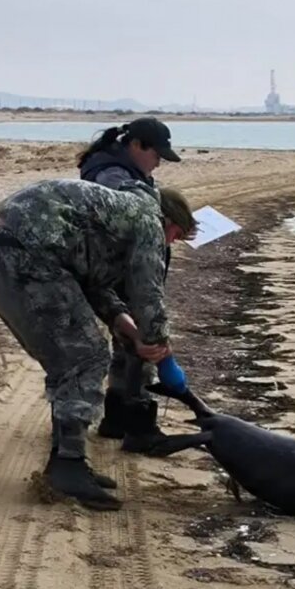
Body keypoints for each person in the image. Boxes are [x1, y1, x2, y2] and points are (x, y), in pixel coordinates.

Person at [0, 178, 196, 511]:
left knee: (67, 361)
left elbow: (91, 283)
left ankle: (65, 461)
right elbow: (148, 292)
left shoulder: (118, 215)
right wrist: (158, 342)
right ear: (170, 222)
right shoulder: (148, 218)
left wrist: (125, 326)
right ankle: (68, 467)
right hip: (25, 255)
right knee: (86, 357)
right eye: (176, 237)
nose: (169, 245)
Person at [76, 117, 182, 453]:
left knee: (127, 346)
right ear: (136, 145)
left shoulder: (127, 172)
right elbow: (131, 220)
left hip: (120, 266)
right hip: (122, 270)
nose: (158, 162)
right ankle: (138, 427)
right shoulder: (111, 176)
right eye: (156, 155)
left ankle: (117, 420)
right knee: (141, 346)